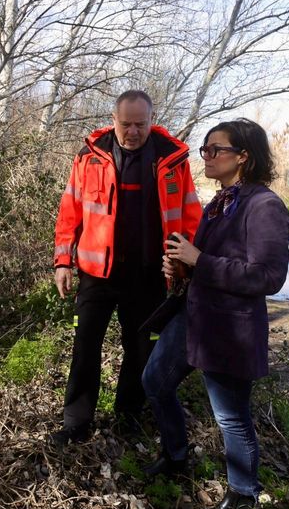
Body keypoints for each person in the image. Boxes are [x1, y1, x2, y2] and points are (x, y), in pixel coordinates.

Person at [140, 118, 289, 509]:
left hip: (229, 329)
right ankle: (176, 456)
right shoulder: (222, 201)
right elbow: (204, 262)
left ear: (244, 156)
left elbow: (268, 277)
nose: (205, 156)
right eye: (204, 149)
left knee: (231, 416)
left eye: (214, 149)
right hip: (194, 317)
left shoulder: (265, 206)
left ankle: (244, 496)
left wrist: (199, 260)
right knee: (154, 381)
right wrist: (182, 266)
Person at [51, 90, 202, 446]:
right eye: (126, 124)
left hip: (149, 275)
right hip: (96, 273)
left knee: (140, 350)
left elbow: (190, 212)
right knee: (85, 346)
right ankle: (77, 422)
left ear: (152, 120)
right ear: (113, 119)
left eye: (140, 124)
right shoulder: (90, 156)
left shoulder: (172, 159)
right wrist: (63, 261)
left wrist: (185, 263)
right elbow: (70, 209)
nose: (133, 131)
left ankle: (129, 415)